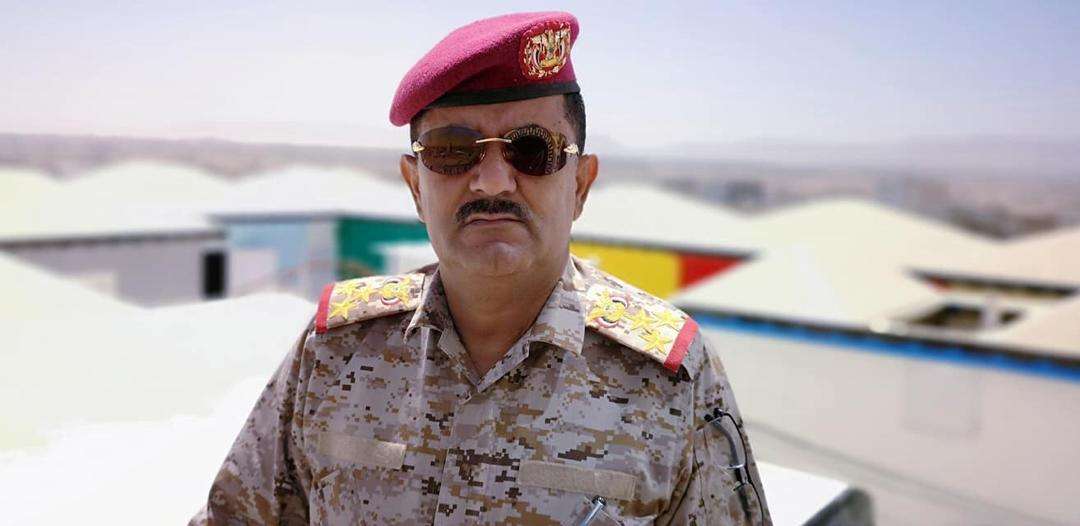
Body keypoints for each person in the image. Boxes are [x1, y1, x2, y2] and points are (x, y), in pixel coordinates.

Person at [191, 11, 769, 525]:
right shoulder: (334, 352)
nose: (492, 182)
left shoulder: (670, 379)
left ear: (581, 184)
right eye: (452, 150)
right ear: (415, 186)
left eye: (533, 149)